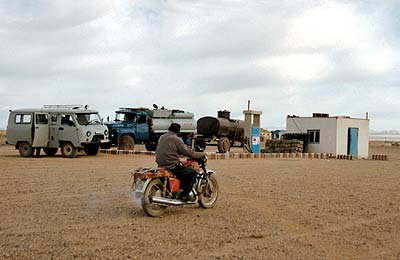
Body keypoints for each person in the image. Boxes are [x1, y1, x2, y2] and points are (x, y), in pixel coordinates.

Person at [156, 123, 206, 201]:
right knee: (192, 173)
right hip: (172, 165)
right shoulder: (177, 139)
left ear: (169, 129)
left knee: (183, 168)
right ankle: (185, 194)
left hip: (161, 164)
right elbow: (189, 153)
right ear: (178, 132)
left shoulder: (162, 137)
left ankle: (177, 190)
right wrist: (202, 154)